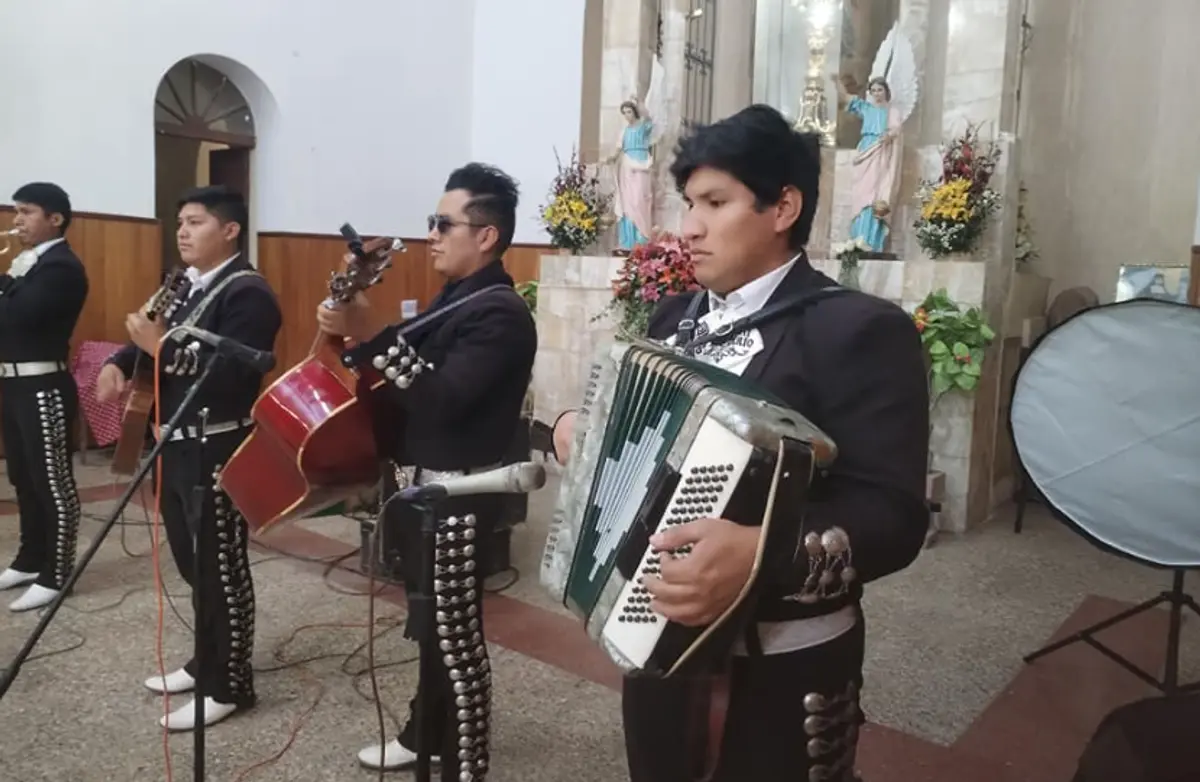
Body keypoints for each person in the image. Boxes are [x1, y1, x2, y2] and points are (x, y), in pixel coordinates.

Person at [550, 105, 930, 782]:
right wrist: (577, 429)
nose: (688, 225)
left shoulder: (858, 330)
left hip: (780, 671)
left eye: (715, 202)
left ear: (783, 206)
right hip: (656, 652)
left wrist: (763, 554)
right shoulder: (674, 316)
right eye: (689, 202)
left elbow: (896, 518)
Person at [317, 162, 537, 779]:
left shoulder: (501, 315)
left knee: (457, 641)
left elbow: (440, 397)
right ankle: (424, 732)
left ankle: (462, 763)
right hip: (426, 488)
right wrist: (359, 344)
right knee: (430, 625)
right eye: (432, 223)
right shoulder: (457, 299)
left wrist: (372, 336)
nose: (432, 235)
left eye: (443, 223)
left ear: (486, 234)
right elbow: (406, 375)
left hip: (463, 494)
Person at [96, 185, 282, 730]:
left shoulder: (249, 294)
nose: (182, 231)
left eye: (196, 221)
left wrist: (160, 348)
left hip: (219, 444)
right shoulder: (182, 284)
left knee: (221, 566)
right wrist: (119, 358)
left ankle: (231, 684)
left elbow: (235, 370)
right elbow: (151, 336)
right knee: (189, 560)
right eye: (180, 221)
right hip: (173, 442)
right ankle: (206, 661)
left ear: (229, 230)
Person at [0, 182, 89, 613]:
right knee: (23, 476)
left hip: (43, 385)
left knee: (52, 481)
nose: (17, 221)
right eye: (16, 212)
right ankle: (31, 557)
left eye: (27, 212)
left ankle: (58, 571)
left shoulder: (61, 268)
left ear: (55, 219)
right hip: (14, 384)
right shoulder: (27, 263)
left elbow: (18, 319)